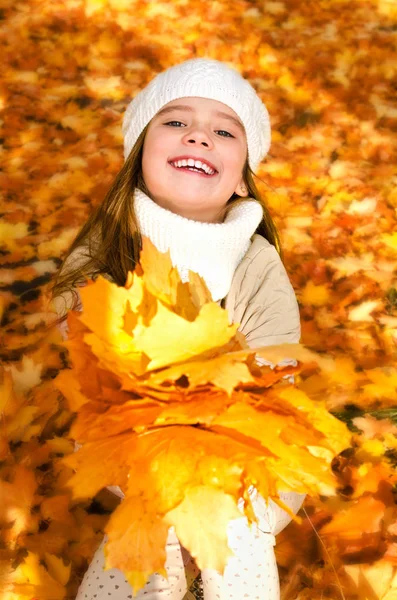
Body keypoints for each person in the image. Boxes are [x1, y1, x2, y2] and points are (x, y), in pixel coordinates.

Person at [50, 57, 306, 600]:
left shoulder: (256, 264)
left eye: (223, 130)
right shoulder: (105, 252)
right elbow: (89, 367)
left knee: (231, 521)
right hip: (135, 445)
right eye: (174, 122)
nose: (198, 135)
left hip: (245, 453)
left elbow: (276, 370)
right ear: (139, 155)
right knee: (153, 509)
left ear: (241, 181)